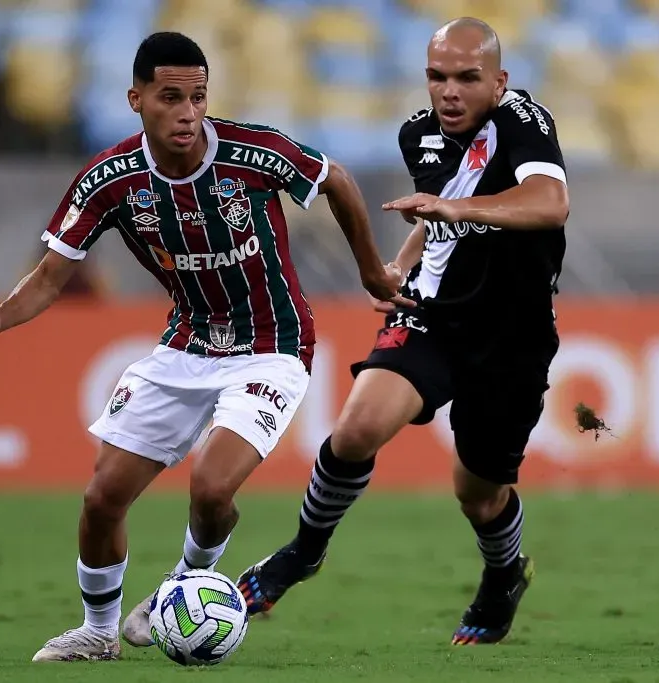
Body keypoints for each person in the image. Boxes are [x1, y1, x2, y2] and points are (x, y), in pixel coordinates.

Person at [0, 31, 403, 662]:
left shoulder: (253, 151)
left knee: (212, 488)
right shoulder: (110, 181)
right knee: (102, 497)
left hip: (273, 344)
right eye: (171, 98)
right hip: (186, 345)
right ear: (136, 99)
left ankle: (182, 583)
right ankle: (99, 633)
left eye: (197, 97)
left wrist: (373, 271)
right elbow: (52, 275)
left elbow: (338, 180)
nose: (188, 112)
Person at [236, 17, 570, 647]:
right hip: (435, 317)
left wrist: (455, 210)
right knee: (357, 428)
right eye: (438, 77)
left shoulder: (524, 123)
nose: (450, 92)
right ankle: (303, 553)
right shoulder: (418, 134)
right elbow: (440, 205)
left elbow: (549, 204)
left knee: (479, 493)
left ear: (499, 81)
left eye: (468, 78)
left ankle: (503, 576)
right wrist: (402, 264)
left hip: (513, 337)